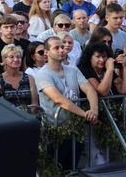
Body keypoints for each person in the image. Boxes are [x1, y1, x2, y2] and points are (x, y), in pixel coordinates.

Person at [35, 37, 99, 169]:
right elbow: (59, 100)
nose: (62, 50)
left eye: (62, 47)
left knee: (73, 167)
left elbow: (90, 89)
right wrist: (85, 114)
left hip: (76, 129)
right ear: (46, 52)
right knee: (57, 168)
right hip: (55, 131)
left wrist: (94, 111)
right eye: (56, 48)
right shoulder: (42, 74)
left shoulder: (73, 70)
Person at [0, 45, 38, 109]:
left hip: (29, 116)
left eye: (18, 57)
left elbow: (34, 104)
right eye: (11, 57)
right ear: (4, 59)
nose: (16, 59)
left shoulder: (30, 78)